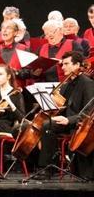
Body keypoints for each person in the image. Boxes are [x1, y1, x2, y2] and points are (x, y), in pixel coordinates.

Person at [37, 51, 94, 180]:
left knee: (48, 125)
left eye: (66, 64)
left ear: (77, 65)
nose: (62, 67)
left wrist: (68, 120)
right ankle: (46, 167)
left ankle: (47, 169)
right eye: (62, 64)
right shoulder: (65, 84)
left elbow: (88, 111)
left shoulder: (87, 83)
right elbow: (61, 108)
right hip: (64, 122)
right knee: (45, 124)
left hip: (78, 125)